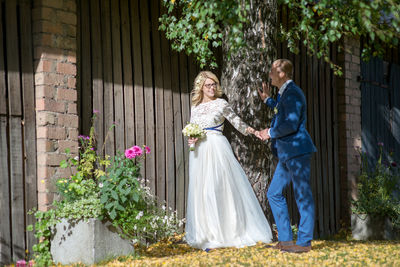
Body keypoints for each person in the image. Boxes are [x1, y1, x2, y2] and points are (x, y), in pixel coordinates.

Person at [185, 71, 273, 250]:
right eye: (208, 85)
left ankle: (226, 231)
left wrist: (255, 132)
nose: (211, 88)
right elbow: (192, 127)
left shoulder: (221, 104)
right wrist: (191, 139)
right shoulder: (195, 107)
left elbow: (237, 122)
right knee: (201, 190)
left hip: (216, 148)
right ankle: (206, 232)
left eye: (214, 84)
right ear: (201, 87)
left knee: (217, 188)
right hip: (198, 152)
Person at [257, 59, 317, 253]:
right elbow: (281, 112)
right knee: (274, 193)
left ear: (282, 74)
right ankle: (285, 240)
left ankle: (304, 243)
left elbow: (290, 124)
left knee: (302, 196)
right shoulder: (285, 95)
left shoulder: (293, 93)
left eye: (273, 71)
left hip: (297, 151)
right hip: (287, 153)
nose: (270, 74)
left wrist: (270, 132)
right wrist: (268, 100)